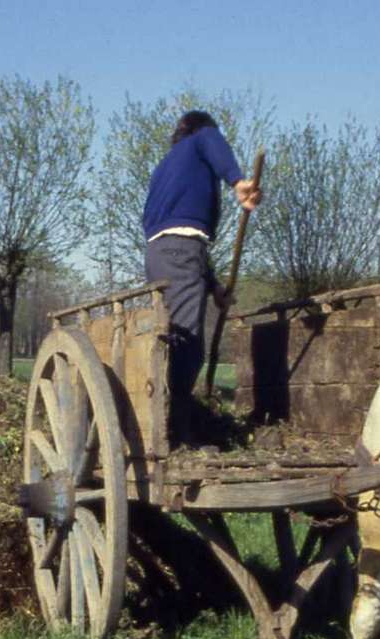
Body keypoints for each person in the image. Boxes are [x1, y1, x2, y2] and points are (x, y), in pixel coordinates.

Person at [143, 109, 261, 445]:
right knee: (187, 343)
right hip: (181, 251)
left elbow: (179, 239)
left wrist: (213, 287)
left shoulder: (164, 168)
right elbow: (212, 139)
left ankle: (174, 418)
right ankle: (179, 433)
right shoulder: (201, 139)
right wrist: (238, 181)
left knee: (170, 335)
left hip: (159, 255)